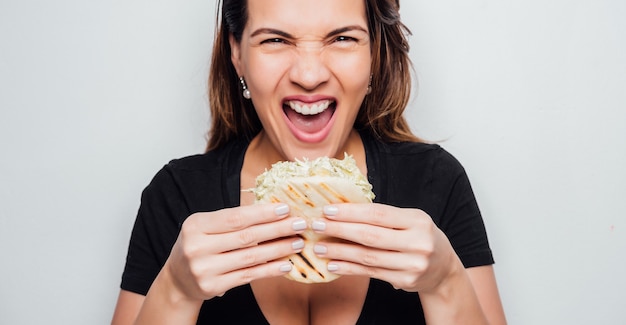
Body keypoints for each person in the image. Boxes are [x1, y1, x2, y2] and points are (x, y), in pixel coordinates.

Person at [111, 0, 507, 324]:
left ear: (374, 53)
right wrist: (176, 291)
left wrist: (444, 281)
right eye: (276, 40)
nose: (309, 74)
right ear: (236, 52)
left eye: (342, 38)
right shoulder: (175, 194)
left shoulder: (436, 181)